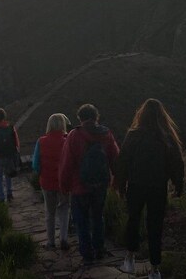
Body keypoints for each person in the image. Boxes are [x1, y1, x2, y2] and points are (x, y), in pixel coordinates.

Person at [116, 99, 184, 279]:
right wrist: (178, 186)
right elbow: (177, 163)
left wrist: (120, 186)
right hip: (158, 187)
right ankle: (155, 269)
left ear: (142, 114)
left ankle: (130, 258)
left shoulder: (133, 135)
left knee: (133, 220)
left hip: (136, 185)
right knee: (155, 227)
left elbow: (123, 161)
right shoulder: (167, 136)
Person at [59, 104, 119, 264]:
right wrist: (117, 181)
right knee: (98, 217)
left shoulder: (74, 135)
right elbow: (115, 159)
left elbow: (66, 164)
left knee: (82, 221)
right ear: (96, 117)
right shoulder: (106, 134)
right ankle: (99, 249)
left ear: (80, 118)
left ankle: (87, 254)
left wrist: (64, 187)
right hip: (101, 185)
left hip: (79, 187)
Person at [32, 113, 71, 250]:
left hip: (47, 183)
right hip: (63, 183)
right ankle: (64, 239)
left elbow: (35, 165)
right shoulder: (67, 141)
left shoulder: (41, 141)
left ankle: (50, 241)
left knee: (50, 212)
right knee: (64, 210)